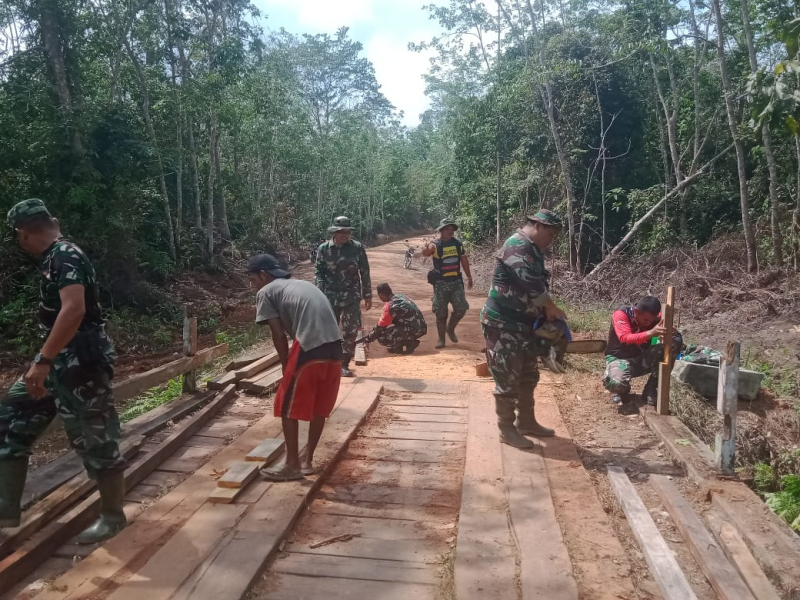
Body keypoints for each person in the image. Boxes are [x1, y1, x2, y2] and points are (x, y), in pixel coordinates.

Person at [1, 199, 127, 543]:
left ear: (23, 233)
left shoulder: (65, 255)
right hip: (56, 363)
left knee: (95, 436)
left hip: (80, 366)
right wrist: (42, 362)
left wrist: (42, 361)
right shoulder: (54, 258)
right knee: (10, 417)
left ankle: (113, 516)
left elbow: (73, 310)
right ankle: (5, 511)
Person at [248, 254, 343, 481]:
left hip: (309, 347)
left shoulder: (266, 292)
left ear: (264, 274)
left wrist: (285, 365)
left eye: (253, 280)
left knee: (285, 405)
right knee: (319, 406)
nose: (253, 286)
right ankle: (306, 461)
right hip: (335, 348)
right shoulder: (302, 284)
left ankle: (291, 465)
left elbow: (278, 334)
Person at [480, 210, 566, 449]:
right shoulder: (516, 245)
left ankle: (526, 421)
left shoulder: (533, 248)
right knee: (507, 379)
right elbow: (530, 282)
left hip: (522, 324)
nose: (552, 239)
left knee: (528, 375)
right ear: (538, 226)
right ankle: (506, 430)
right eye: (550, 233)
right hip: (502, 323)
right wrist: (550, 307)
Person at [315, 216, 372, 377]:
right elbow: (319, 273)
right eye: (341, 231)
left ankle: (344, 364)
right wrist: (318, 293)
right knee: (328, 331)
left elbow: (365, 272)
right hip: (329, 298)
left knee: (350, 331)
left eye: (347, 231)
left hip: (351, 298)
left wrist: (367, 295)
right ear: (334, 231)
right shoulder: (324, 249)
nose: (344, 235)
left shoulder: (357, 248)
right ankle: (330, 362)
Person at [603, 296, 683, 406]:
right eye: (645, 320)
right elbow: (625, 338)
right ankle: (622, 388)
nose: (648, 323)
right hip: (618, 359)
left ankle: (650, 389)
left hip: (641, 359)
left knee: (674, 343)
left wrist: (669, 332)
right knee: (616, 384)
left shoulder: (656, 318)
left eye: (651, 320)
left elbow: (674, 335)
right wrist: (652, 332)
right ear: (637, 311)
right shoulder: (621, 314)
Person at [422, 218, 473, 349]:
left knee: (461, 308)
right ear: (441, 230)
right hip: (440, 283)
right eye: (448, 229)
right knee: (440, 312)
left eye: (452, 229)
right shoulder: (435, 244)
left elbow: (463, 260)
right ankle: (441, 339)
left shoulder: (457, 244)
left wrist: (469, 277)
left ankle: (450, 328)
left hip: (456, 282)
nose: (450, 231)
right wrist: (427, 247)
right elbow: (425, 254)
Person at [363, 283, 427, 355]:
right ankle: (401, 344)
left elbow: (380, 326)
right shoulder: (401, 296)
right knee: (391, 326)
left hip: (414, 330)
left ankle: (409, 343)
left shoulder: (391, 306)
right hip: (422, 328)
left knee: (382, 338)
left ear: (381, 295)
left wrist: (368, 339)